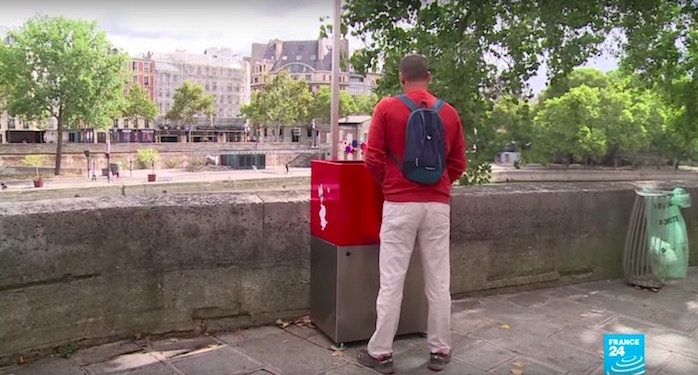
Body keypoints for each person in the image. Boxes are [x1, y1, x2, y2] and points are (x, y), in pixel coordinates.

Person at [358, 53, 467, 374]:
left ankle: (380, 352)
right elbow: (458, 164)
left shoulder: (386, 109)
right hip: (437, 206)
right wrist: (437, 184)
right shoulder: (449, 113)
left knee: (391, 281)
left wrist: (392, 184)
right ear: (429, 76)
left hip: (399, 205)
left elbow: (372, 158)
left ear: (401, 77)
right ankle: (439, 350)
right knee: (438, 281)